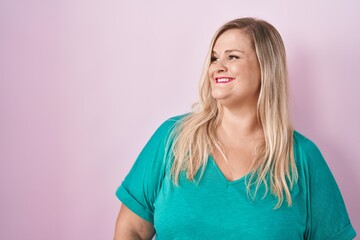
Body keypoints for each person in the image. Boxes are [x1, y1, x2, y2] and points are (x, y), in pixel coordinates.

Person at [113, 18, 357, 239]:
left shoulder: (302, 158)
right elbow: (131, 229)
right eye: (214, 58)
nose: (217, 66)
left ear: (266, 67)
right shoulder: (172, 138)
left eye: (232, 57)